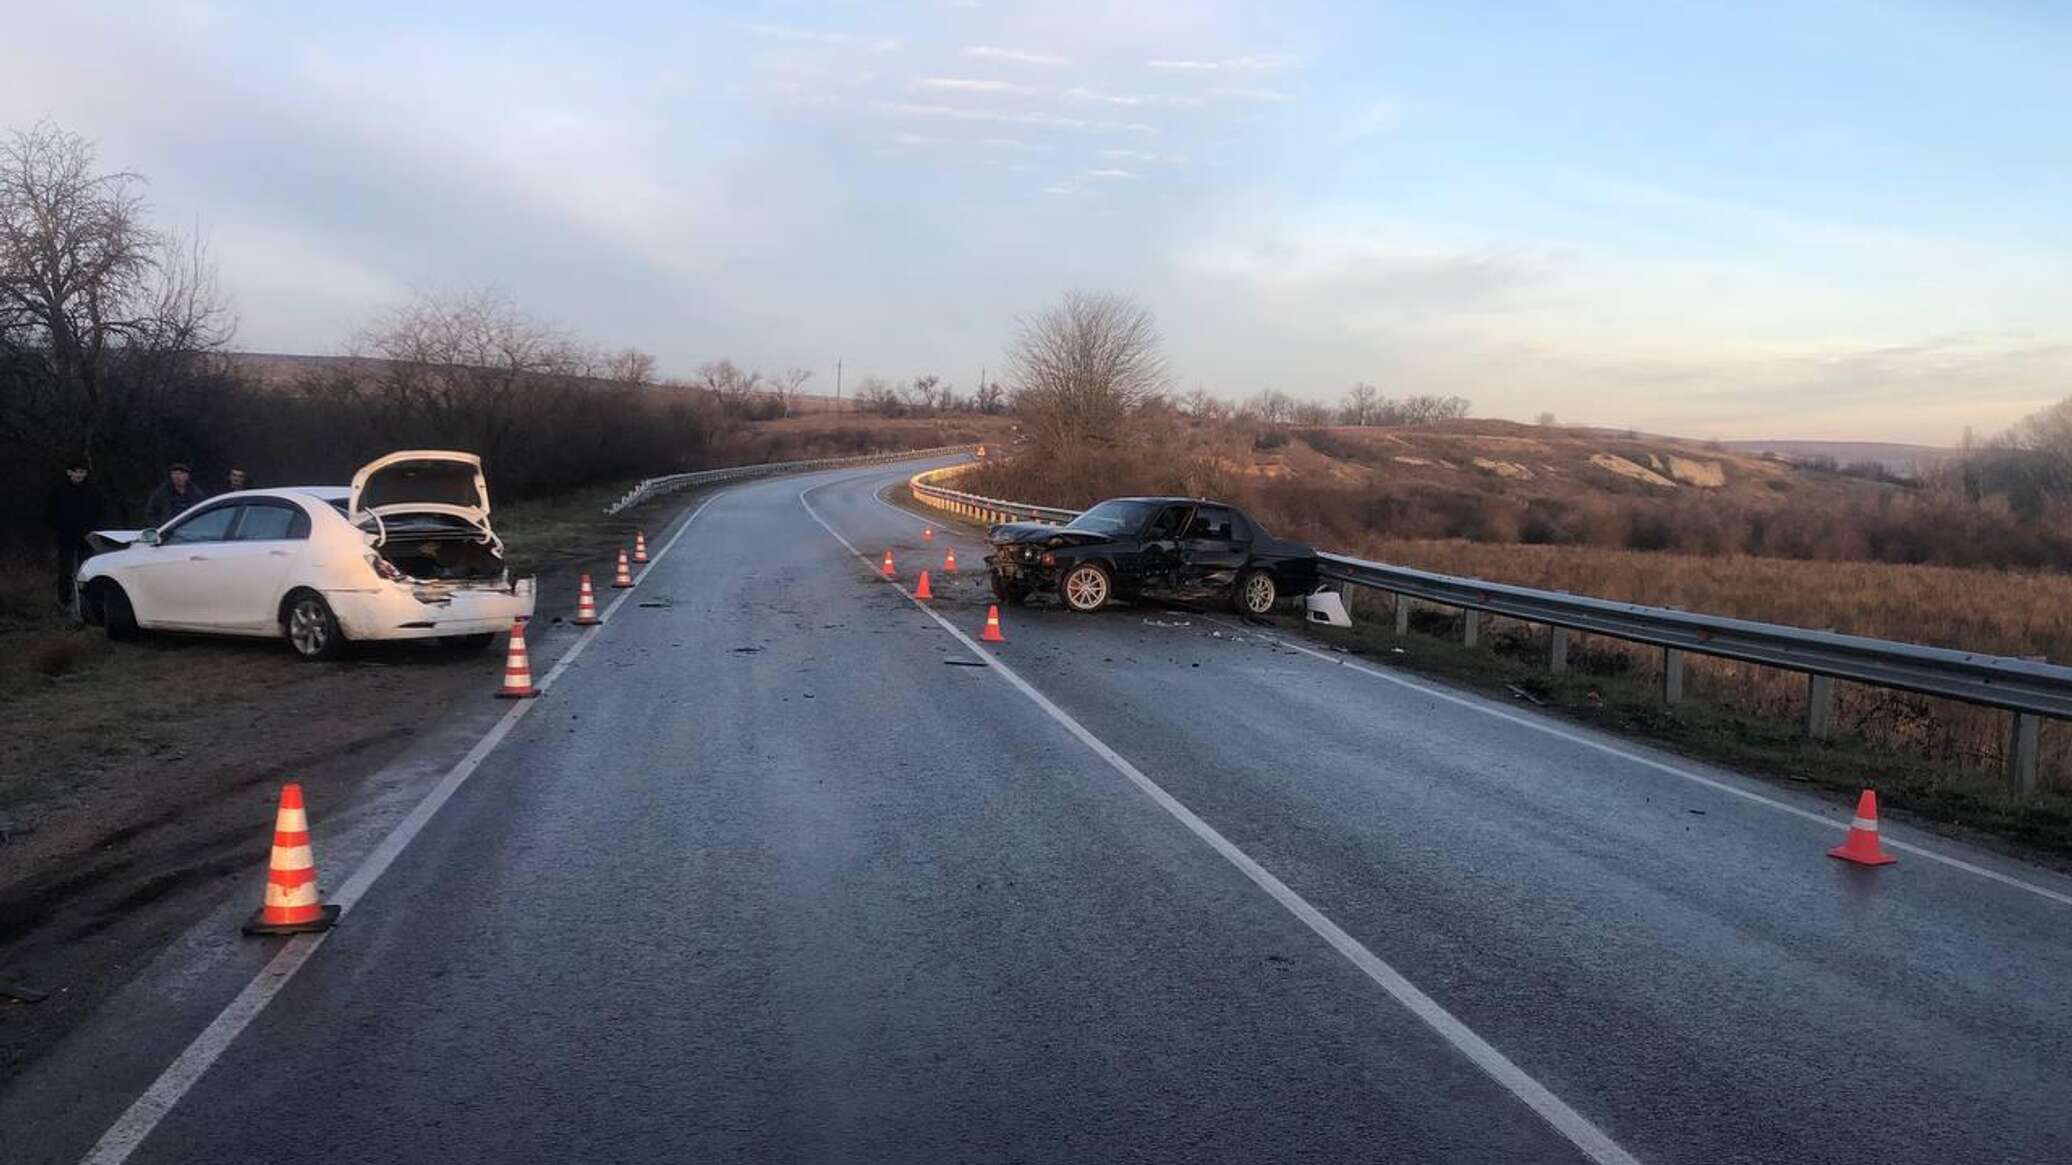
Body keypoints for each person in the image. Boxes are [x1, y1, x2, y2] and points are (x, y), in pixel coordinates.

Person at [44, 459, 106, 609]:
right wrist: (59, 529)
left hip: (86, 538)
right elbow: (49, 514)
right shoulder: (58, 491)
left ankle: (88, 603)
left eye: (82, 472)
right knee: (65, 571)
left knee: (86, 571)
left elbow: (100, 512)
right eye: (76, 472)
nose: (79, 475)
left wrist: (93, 530)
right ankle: (64, 602)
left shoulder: (93, 491)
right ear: (69, 473)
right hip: (66, 538)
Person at [143, 462, 210, 527]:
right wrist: (159, 527)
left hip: (191, 528)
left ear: (187, 476)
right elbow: (150, 511)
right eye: (174, 474)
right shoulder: (162, 492)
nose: (177, 477)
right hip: (170, 530)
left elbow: (203, 510)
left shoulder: (196, 492)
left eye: (180, 474)